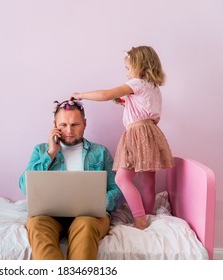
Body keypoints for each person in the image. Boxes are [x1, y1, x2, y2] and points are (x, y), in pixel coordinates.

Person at [71, 45, 174, 230]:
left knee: (121, 179)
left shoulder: (137, 83)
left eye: (128, 68)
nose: (127, 72)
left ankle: (140, 220)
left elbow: (105, 95)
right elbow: (143, 109)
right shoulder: (153, 88)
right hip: (151, 133)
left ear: (140, 66)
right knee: (147, 181)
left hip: (137, 133)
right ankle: (148, 216)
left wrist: (81, 95)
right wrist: (125, 103)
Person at [18, 99, 122, 260]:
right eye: (63, 125)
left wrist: (99, 202)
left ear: (85, 123)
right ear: (55, 125)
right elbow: (25, 187)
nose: (69, 130)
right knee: (36, 225)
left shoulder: (100, 152)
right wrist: (51, 153)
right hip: (50, 215)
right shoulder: (41, 150)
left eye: (75, 125)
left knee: (86, 226)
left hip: (89, 216)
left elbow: (115, 189)